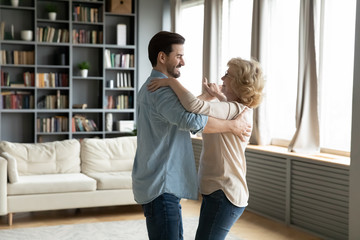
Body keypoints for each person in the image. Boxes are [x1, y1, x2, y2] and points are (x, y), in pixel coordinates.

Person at [132, 31, 252, 240]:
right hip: (163, 185)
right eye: (178, 56)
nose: (183, 62)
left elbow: (176, 113)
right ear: (162, 57)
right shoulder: (161, 91)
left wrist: (206, 96)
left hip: (158, 184)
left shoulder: (152, 87)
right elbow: (191, 121)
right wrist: (232, 126)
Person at [148, 57, 265, 240]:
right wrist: (218, 95)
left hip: (224, 192)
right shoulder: (237, 109)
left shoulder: (233, 109)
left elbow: (193, 106)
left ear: (238, 82)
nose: (222, 78)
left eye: (227, 75)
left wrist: (171, 82)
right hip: (221, 192)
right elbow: (219, 109)